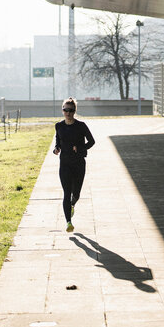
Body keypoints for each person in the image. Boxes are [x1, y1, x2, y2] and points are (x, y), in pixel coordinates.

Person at [52, 97, 95, 232]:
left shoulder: (81, 126)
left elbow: (92, 141)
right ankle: (68, 222)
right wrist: (56, 148)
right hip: (64, 164)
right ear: (62, 110)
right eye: (65, 110)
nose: (68, 113)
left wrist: (81, 149)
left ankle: (72, 204)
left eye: (70, 110)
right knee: (66, 193)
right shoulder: (59, 126)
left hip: (78, 164)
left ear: (74, 111)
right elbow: (58, 140)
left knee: (76, 193)